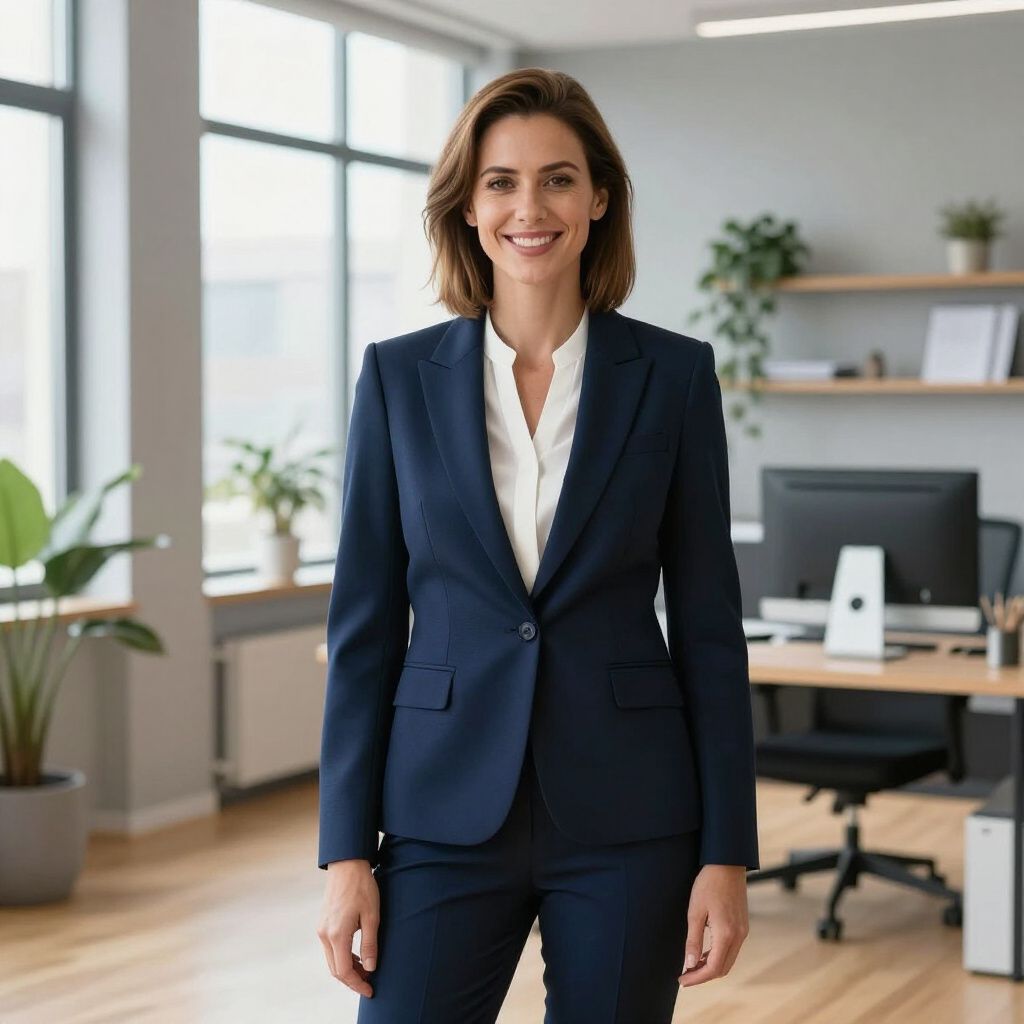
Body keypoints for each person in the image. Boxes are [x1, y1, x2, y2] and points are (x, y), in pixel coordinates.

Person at [316, 67, 758, 1023]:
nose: (530, 207)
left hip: (629, 813)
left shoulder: (674, 378)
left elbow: (711, 629)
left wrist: (727, 853)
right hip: (439, 811)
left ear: (599, 198)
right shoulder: (396, 380)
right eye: (501, 182)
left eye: (558, 179)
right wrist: (345, 852)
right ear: (468, 208)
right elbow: (362, 629)